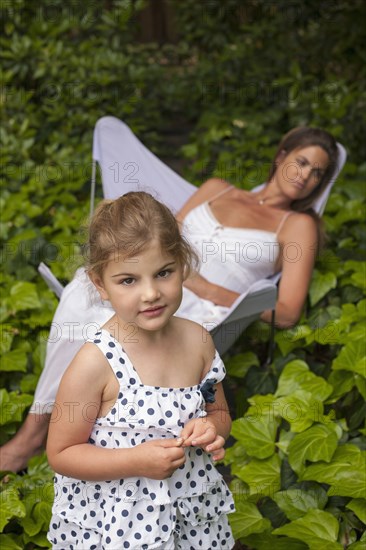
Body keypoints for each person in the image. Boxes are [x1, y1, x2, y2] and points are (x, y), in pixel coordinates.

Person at [0, 126, 339, 473]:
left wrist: (205, 288)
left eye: (318, 173)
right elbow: (162, 235)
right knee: (77, 299)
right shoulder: (217, 189)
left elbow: (286, 312)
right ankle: (42, 431)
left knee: (99, 327)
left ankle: (49, 438)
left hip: (202, 306)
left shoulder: (297, 225)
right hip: (154, 277)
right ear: (281, 156)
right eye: (301, 162)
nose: (306, 177)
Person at [46, 192, 235, 549]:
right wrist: (133, 460)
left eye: (163, 273)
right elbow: (61, 452)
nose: (151, 293)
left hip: (189, 516)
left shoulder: (198, 341)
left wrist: (211, 428)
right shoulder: (95, 362)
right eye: (128, 280)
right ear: (100, 284)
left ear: (183, 266)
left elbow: (219, 411)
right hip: (116, 523)